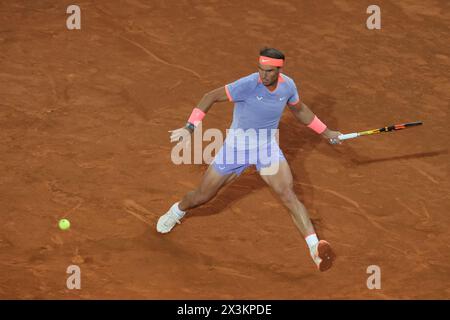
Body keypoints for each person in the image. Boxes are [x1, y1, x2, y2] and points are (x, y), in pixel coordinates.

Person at [157, 48, 342, 272]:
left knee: (287, 194)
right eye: (260, 70)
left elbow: (300, 110)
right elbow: (210, 97)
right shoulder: (248, 84)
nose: (263, 76)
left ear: (279, 70)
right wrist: (190, 126)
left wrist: (326, 132)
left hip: (266, 148)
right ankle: (177, 210)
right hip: (236, 149)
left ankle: (315, 249)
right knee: (203, 196)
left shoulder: (288, 86)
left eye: (269, 72)